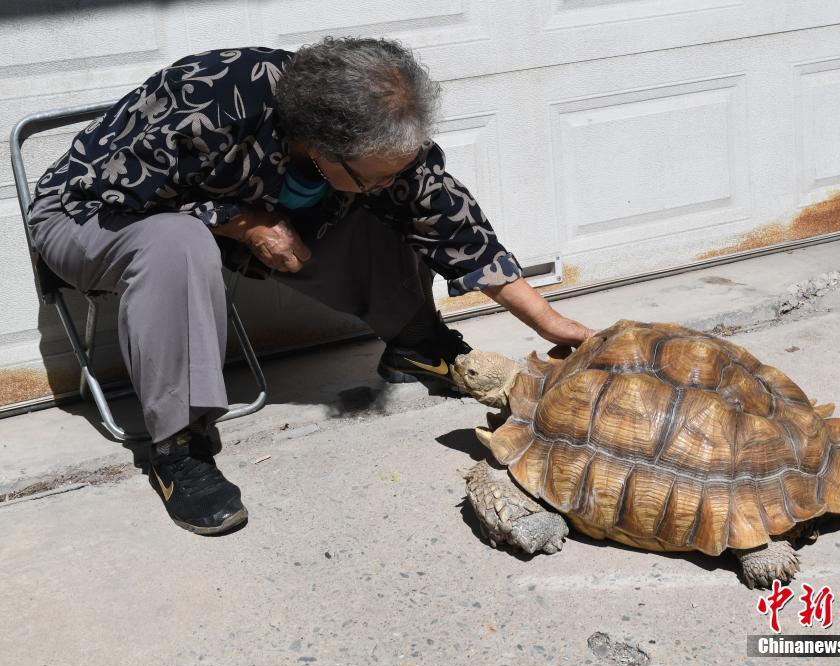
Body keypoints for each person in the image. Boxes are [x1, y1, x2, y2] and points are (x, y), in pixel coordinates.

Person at [27, 38, 596, 536]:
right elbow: (113, 196)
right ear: (320, 145)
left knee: (388, 207)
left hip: (216, 217)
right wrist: (239, 222)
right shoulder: (212, 99)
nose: (390, 179)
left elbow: (447, 217)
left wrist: (549, 322)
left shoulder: (372, 131)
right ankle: (179, 447)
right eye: (376, 170)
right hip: (93, 217)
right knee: (179, 241)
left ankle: (416, 342)